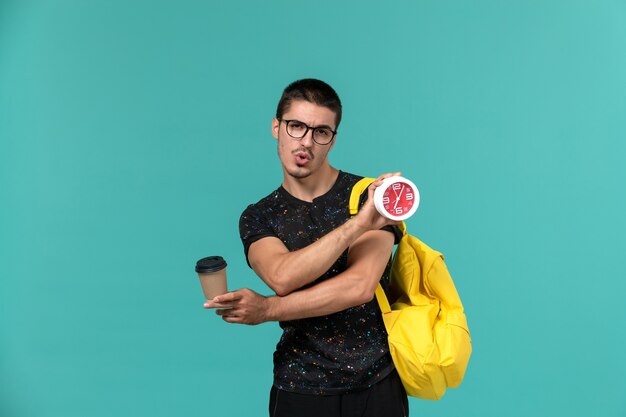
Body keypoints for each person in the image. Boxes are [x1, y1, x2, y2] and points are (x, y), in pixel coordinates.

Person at [205, 79, 409, 417]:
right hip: (300, 389)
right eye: (296, 126)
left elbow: (359, 286)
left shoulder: (370, 196)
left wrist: (268, 310)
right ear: (276, 127)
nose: (306, 142)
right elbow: (281, 276)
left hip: (378, 387)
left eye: (321, 132)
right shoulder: (259, 216)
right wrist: (357, 225)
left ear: (333, 139)